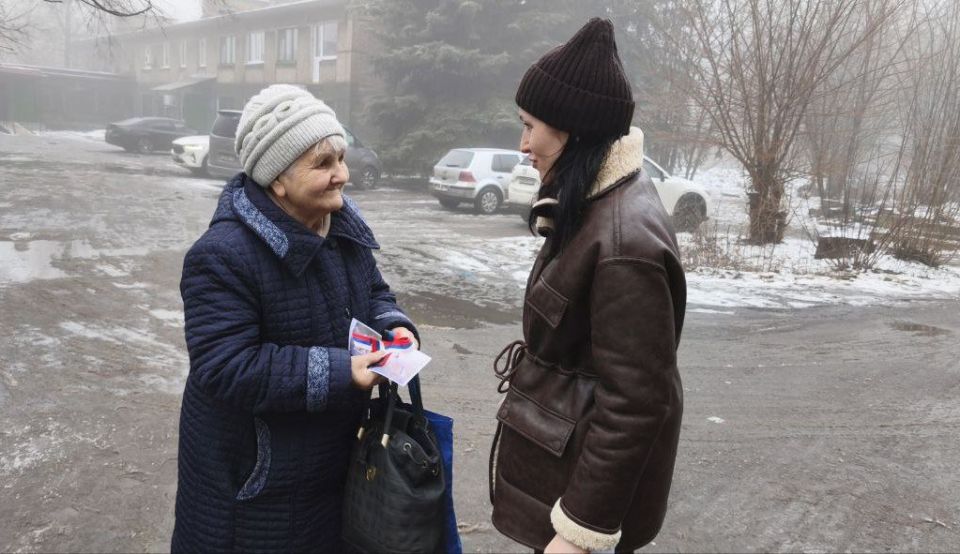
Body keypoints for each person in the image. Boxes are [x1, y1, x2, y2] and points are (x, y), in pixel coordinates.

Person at [171, 84, 419, 552]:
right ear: (276, 179)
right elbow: (226, 366)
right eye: (323, 164)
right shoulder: (221, 256)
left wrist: (394, 326)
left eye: (341, 158)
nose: (342, 175)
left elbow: (374, 290)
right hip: (256, 489)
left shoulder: (341, 226)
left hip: (331, 472)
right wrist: (344, 371)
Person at [489, 18, 686, 554]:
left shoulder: (625, 245)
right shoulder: (593, 201)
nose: (523, 143)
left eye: (532, 126)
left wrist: (579, 534)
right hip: (561, 466)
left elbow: (637, 403)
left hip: (579, 503)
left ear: (573, 130)